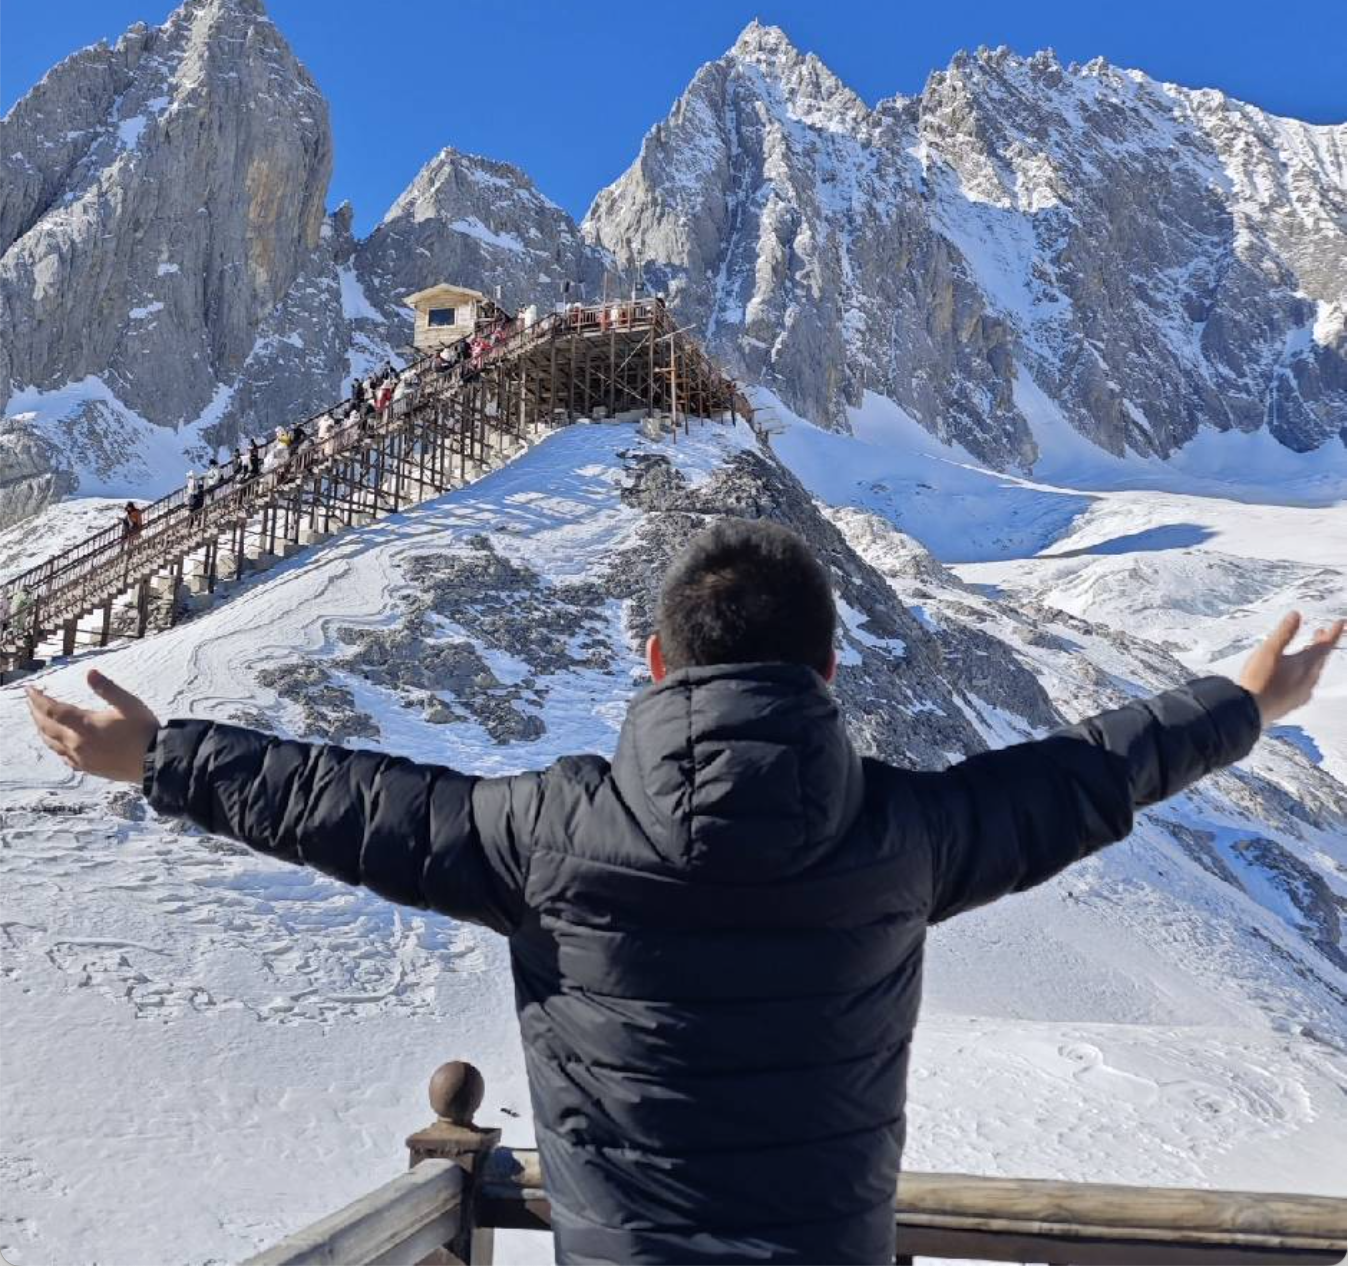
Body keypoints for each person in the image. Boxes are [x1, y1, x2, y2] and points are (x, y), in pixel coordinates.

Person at [23, 521, 1344, 1266]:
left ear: (656, 661)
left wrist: (163, 757)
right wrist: (1243, 704)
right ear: (828, 671)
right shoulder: (909, 833)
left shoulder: (545, 831)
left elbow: (351, 803)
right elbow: (1090, 774)